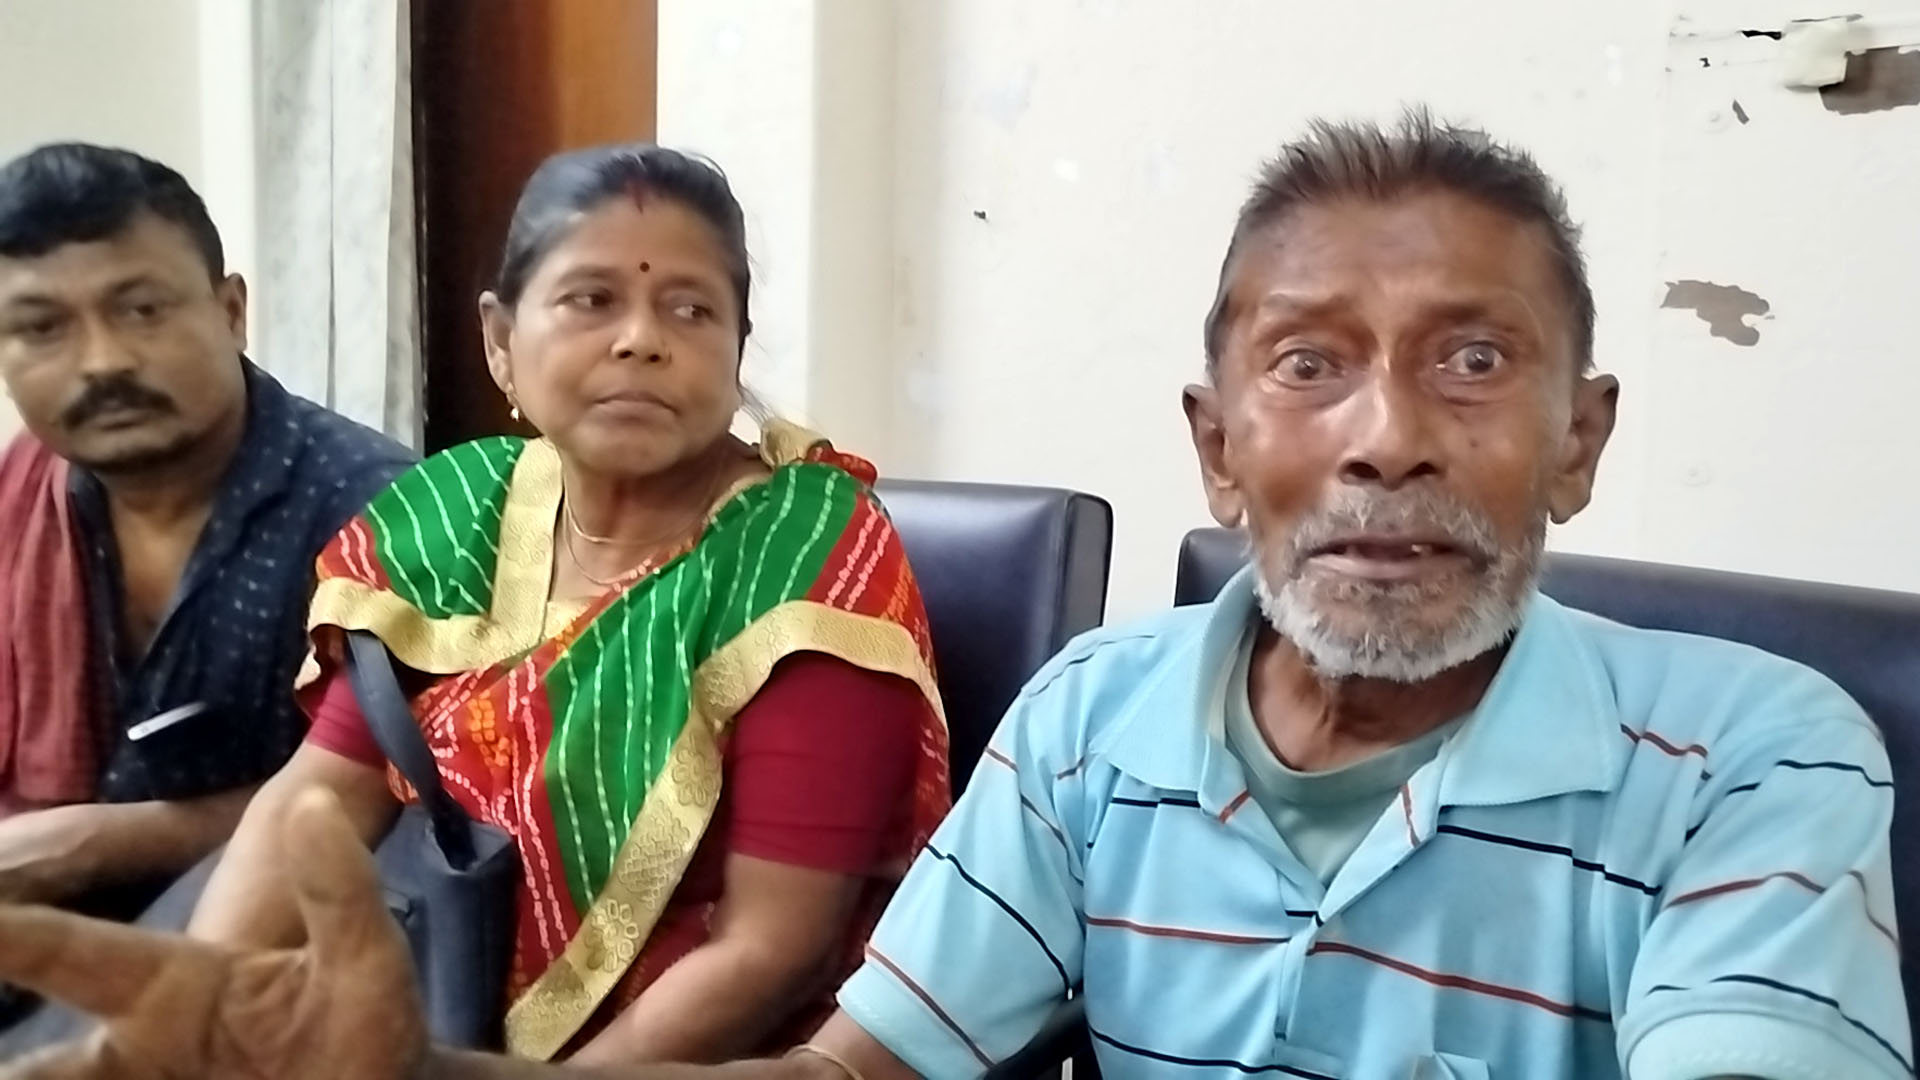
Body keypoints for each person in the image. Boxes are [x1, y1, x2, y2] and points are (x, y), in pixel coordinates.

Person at [0, 112, 1903, 1080]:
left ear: (1582, 439)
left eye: (1474, 365)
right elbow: (854, 1069)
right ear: (1214, 445)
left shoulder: (1752, 753)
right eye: (1308, 366)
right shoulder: (1091, 722)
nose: (1386, 439)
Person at [180, 143, 950, 1065]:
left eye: (692, 310)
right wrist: (184, 1019)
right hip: (430, 1010)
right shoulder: (460, 509)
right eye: (591, 300)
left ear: (737, 347)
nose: (641, 339)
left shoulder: (807, 556)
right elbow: (318, 796)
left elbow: (772, 952)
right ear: (500, 341)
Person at [0, 144, 410, 984]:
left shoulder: (382, 513)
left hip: (285, 973)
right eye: (43, 327)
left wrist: (98, 843)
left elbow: (413, 794)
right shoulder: (21, 498)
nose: (103, 361)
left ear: (231, 311)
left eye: (142, 310)